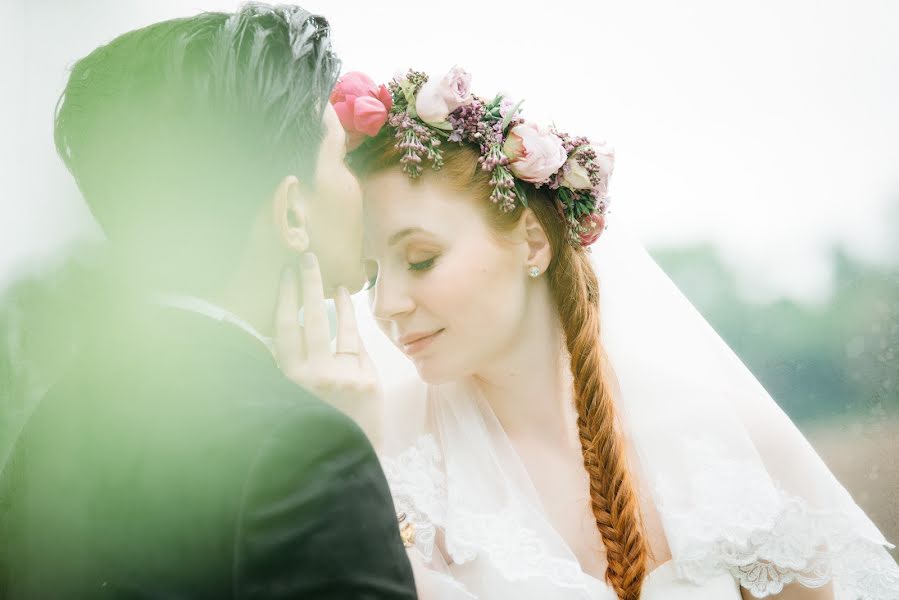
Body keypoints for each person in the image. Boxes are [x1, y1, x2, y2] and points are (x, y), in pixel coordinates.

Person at [329, 68, 899, 599]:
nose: (387, 306)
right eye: (372, 274)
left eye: (421, 258)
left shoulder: (727, 453)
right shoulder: (386, 467)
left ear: (532, 240)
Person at [0, 5, 416, 599]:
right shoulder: (312, 453)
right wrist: (361, 455)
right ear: (293, 212)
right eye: (343, 158)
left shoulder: (53, 422)